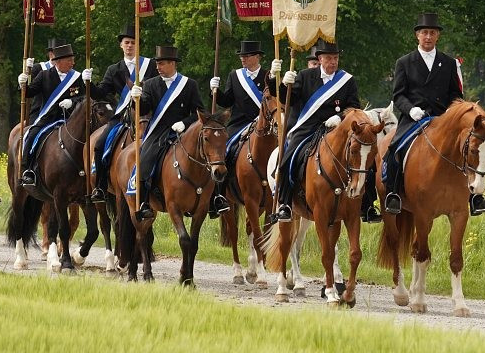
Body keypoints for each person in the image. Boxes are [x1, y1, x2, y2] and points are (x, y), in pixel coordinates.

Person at [382, 13, 476, 214]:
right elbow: (398, 96)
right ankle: (393, 193)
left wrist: (452, 112)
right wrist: (411, 109)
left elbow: (456, 95)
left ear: (437, 36)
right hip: (413, 118)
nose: (428, 36)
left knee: (469, 147)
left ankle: (475, 196)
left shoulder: (449, 63)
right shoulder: (404, 62)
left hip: (442, 119)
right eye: (424, 32)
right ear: (417, 35)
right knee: (393, 150)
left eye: (432, 33)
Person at [272, 39, 361, 222]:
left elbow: (354, 107)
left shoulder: (347, 80)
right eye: (328, 58)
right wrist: (278, 80)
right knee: (288, 160)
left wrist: (341, 117)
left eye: (335, 58)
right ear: (319, 59)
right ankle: (285, 204)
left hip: (336, 129)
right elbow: (288, 98)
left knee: (362, 157)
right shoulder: (305, 76)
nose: (333, 62)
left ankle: (366, 204)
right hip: (308, 129)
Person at [129, 45, 205, 221]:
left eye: (161, 63)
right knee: (144, 161)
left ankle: (214, 199)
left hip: (184, 133)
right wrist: (136, 99)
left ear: (172, 64)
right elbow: (143, 110)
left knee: (209, 159)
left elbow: (200, 113)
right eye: (157, 63)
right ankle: (144, 201)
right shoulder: (150, 84)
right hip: (158, 132)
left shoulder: (189, 84)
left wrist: (185, 123)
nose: (158, 67)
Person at [207, 40, 274, 217]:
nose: (243, 59)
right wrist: (215, 91)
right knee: (225, 153)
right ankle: (219, 195)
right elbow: (227, 101)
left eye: (247, 56)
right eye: (242, 56)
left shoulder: (269, 75)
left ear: (257, 57)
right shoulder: (235, 76)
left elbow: (276, 99)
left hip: (264, 124)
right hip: (240, 124)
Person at [89, 25, 152, 203]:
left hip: (147, 115)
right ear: (121, 46)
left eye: (133, 42)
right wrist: (88, 83)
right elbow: (100, 93)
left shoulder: (150, 66)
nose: (130, 45)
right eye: (127, 42)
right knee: (100, 144)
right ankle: (101, 186)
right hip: (122, 117)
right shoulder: (114, 69)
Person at [18, 42, 95, 186]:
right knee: (32, 135)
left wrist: (72, 102)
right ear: (58, 62)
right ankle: (27, 169)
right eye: (69, 60)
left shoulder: (77, 77)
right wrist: (22, 83)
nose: (73, 63)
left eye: (73, 60)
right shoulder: (44, 75)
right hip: (48, 118)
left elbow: (86, 97)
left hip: (71, 118)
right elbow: (29, 93)